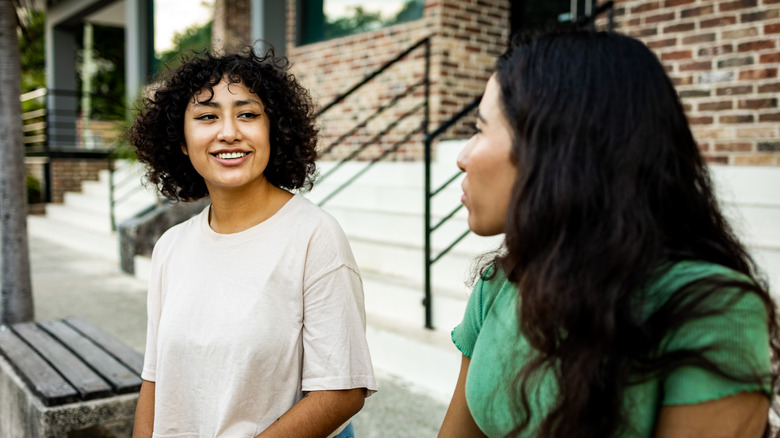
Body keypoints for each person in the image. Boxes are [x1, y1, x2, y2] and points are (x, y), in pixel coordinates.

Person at [439, 30, 779, 438]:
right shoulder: (502, 283)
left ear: (558, 149)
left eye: (479, 129)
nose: (462, 157)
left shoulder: (710, 311)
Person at [128, 47, 377, 438]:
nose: (229, 132)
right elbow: (156, 378)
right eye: (207, 117)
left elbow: (342, 391)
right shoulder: (171, 246)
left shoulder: (314, 235)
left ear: (273, 130)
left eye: (247, 114)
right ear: (180, 140)